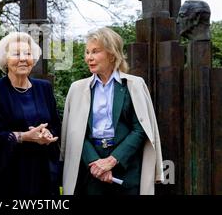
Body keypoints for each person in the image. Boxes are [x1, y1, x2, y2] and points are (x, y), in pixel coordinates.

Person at [60, 27, 163, 195]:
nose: (89, 58)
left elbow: (140, 129)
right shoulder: (77, 89)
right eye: (87, 52)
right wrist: (95, 163)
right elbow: (76, 132)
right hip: (90, 168)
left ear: (112, 54)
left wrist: (112, 161)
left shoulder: (134, 85)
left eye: (95, 51)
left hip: (126, 166)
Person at [0, 32, 61, 196]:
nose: (23, 58)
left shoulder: (44, 88)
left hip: (41, 171)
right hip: (8, 173)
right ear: (5, 60)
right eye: (16, 54)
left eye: (27, 53)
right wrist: (23, 136)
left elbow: (56, 124)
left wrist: (48, 133)